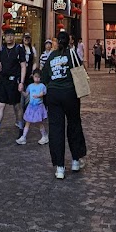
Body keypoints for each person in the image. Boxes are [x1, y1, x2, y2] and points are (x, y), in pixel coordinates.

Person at [41, 30, 87, 179]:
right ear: (69, 42)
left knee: (55, 129)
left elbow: (44, 77)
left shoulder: (52, 56)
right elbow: (80, 71)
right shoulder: (72, 54)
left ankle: (59, 167)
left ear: (57, 42)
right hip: (70, 94)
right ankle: (75, 160)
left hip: (53, 95)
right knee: (74, 124)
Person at [0, 28, 27, 144]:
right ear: (4, 37)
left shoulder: (19, 49)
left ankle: (21, 128)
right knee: (0, 106)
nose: (9, 38)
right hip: (3, 82)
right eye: (7, 35)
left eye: (11, 35)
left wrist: (21, 82)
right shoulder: (2, 49)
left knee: (17, 107)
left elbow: (23, 66)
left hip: (14, 82)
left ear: (14, 37)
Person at [17, 69, 49, 145]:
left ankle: (44, 135)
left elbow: (43, 93)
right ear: (33, 77)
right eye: (35, 77)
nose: (37, 78)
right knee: (27, 122)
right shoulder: (30, 86)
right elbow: (26, 94)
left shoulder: (42, 86)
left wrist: (38, 96)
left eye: (38, 77)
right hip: (31, 107)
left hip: (38, 107)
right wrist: (21, 92)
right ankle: (23, 137)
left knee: (39, 122)